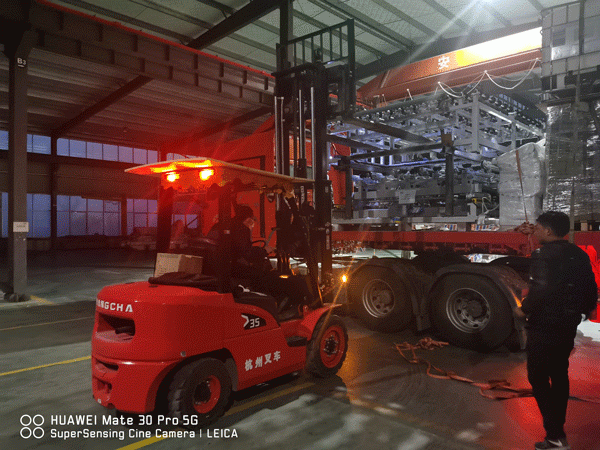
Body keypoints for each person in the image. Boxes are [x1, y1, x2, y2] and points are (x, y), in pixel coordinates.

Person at [514, 211, 598, 450]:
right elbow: (590, 287)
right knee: (559, 373)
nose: (535, 232)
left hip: (544, 325)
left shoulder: (543, 255)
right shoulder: (579, 253)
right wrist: (583, 311)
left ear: (548, 231)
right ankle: (556, 431)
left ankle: (555, 435)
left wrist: (523, 310)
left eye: (538, 228)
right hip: (567, 324)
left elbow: (541, 288)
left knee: (537, 376)